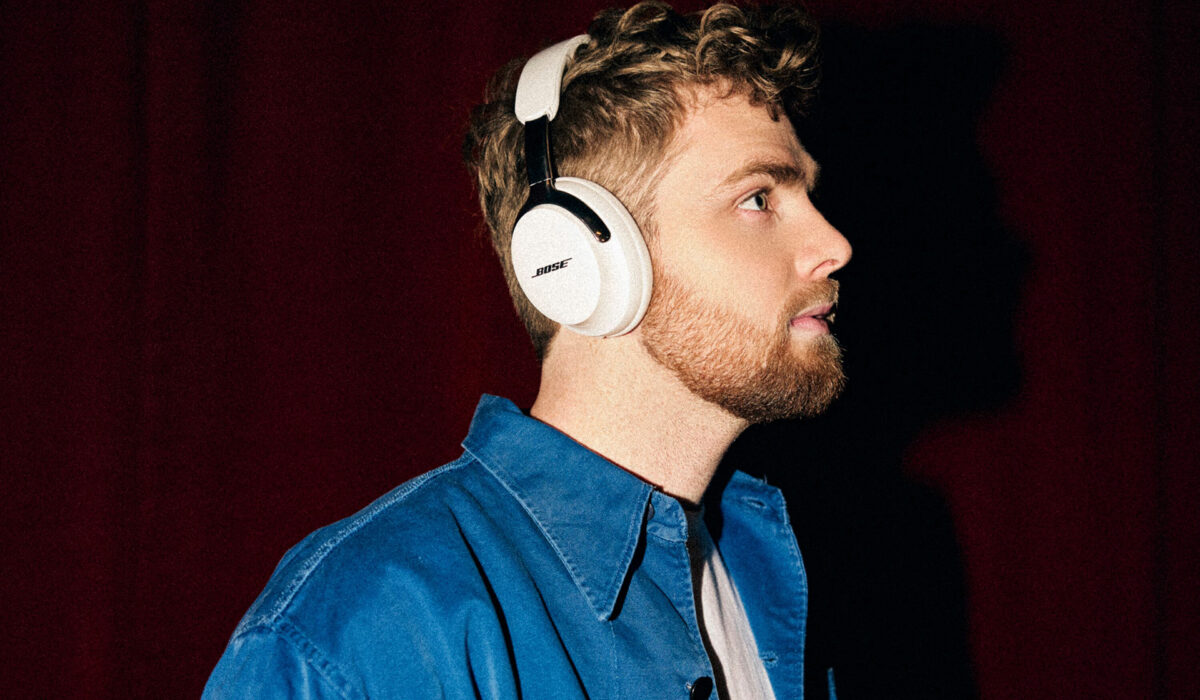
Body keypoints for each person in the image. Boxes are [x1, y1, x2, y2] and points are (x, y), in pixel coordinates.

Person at [203, 2, 851, 698]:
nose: (834, 246)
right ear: (577, 258)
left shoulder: (766, 573)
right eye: (758, 199)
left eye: (807, 196)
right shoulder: (364, 627)